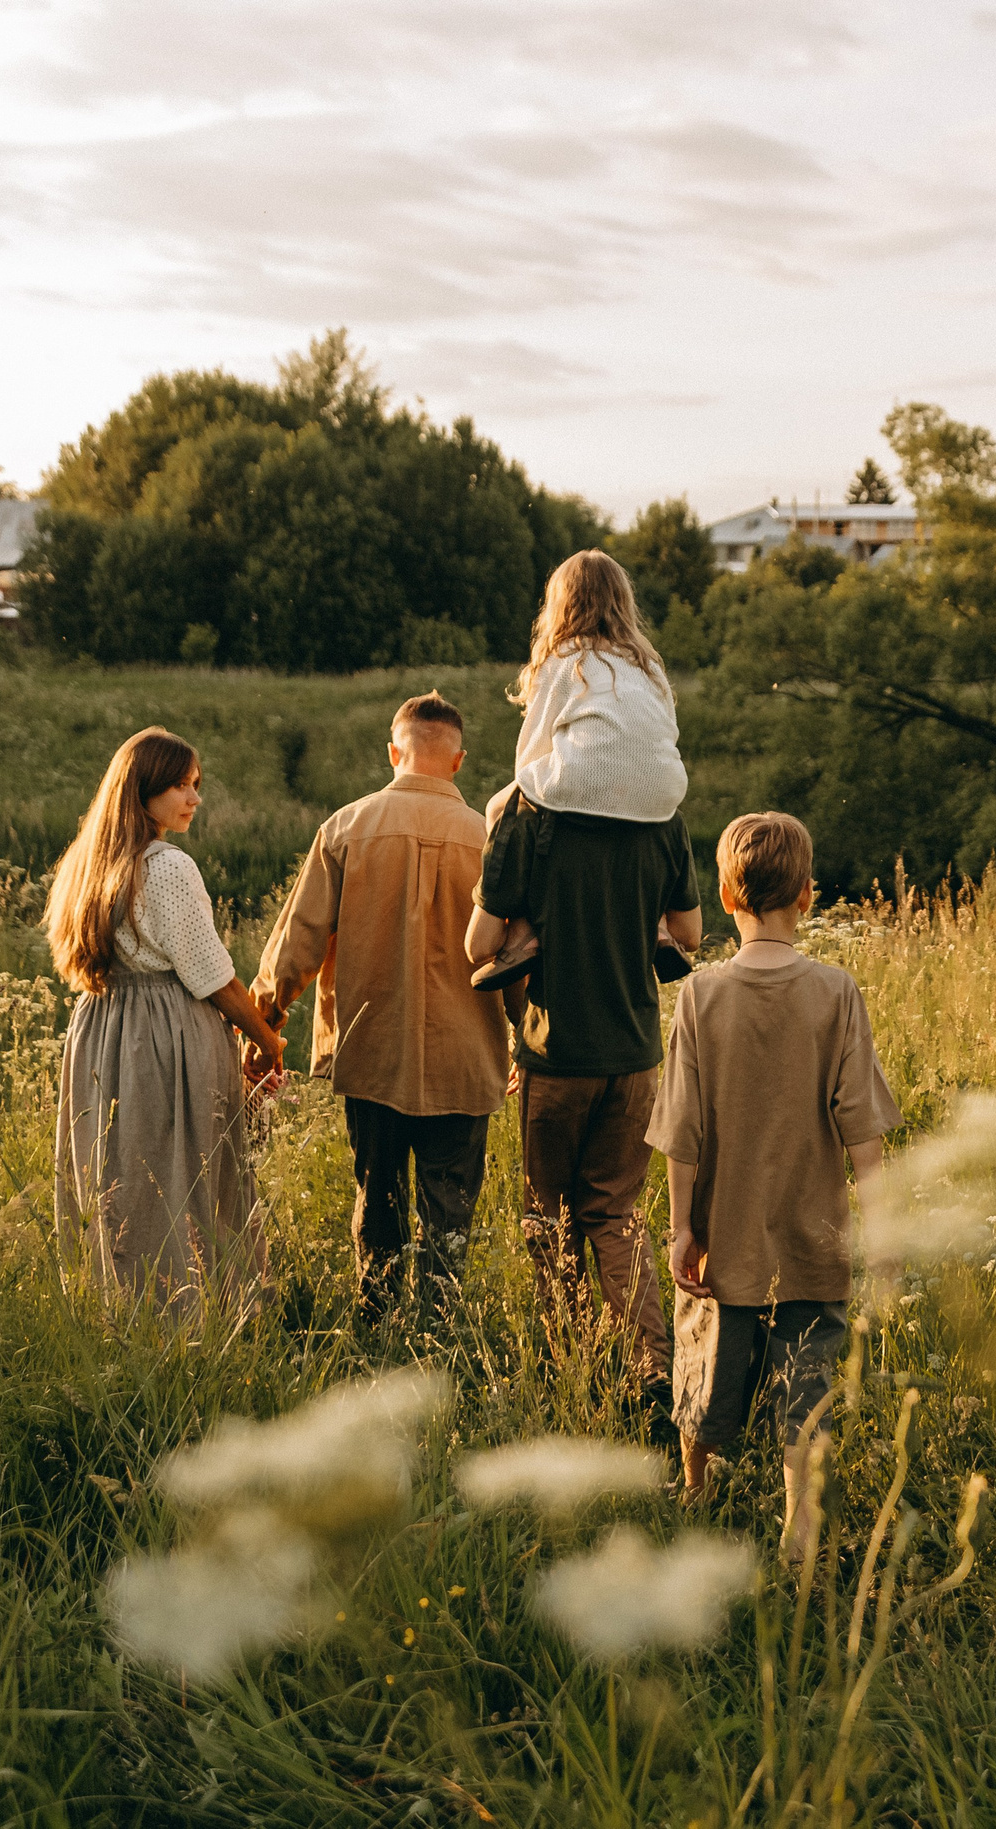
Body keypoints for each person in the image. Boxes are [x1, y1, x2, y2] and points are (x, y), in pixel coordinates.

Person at [468, 559, 704, 1445]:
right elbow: (688, 931)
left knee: (545, 1219)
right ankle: (655, 1368)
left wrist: (526, 934)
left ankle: (571, 1372)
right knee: (614, 1216)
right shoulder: (662, 818)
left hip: (554, 1054)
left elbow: (479, 946)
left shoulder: (532, 817)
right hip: (635, 1054)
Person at [654, 812, 902, 1559]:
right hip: (812, 1239)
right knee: (808, 1387)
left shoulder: (700, 996)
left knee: (706, 1365)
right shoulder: (836, 992)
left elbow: (682, 1133)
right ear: (807, 894)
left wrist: (681, 1227)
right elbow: (864, 1133)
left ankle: (696, 1485)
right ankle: (800, 1528)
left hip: (724, 1237)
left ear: (728, 895)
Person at [253, 693, 508, 1322]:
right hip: (465, 1055)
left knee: (379, 1198)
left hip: (371, 1052)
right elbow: (518, 954)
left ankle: (377, 1319)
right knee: (449, 1207)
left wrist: (265, 1017)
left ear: (394, 753)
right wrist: (531, 1040)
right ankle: (439, 1331)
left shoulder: (345, 829)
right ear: (457, 761)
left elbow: (298, 942)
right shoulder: (490, 841)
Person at [47, 727, 287, 1315]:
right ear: (143, 791)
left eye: (195, 785)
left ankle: (115, 1308)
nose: (194, 798)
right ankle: (196, 1312)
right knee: (184, 1175)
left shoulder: (88, 863)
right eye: (180, 785)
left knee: (117, 1175)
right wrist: (268, 1039)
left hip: (100, 1033)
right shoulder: (169, 867)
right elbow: (213, 978)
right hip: (163, 1034)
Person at [471, 550, 692, 991]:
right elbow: (667, 731)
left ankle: (521, 933)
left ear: (561, 604)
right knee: (638, 836)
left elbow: (531, 754)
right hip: (660, 790)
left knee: (500, 809)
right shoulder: (648, 666)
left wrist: (530, 798)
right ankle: (659, 928)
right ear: (623, 603)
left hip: (581, 782)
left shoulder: (562, 659)